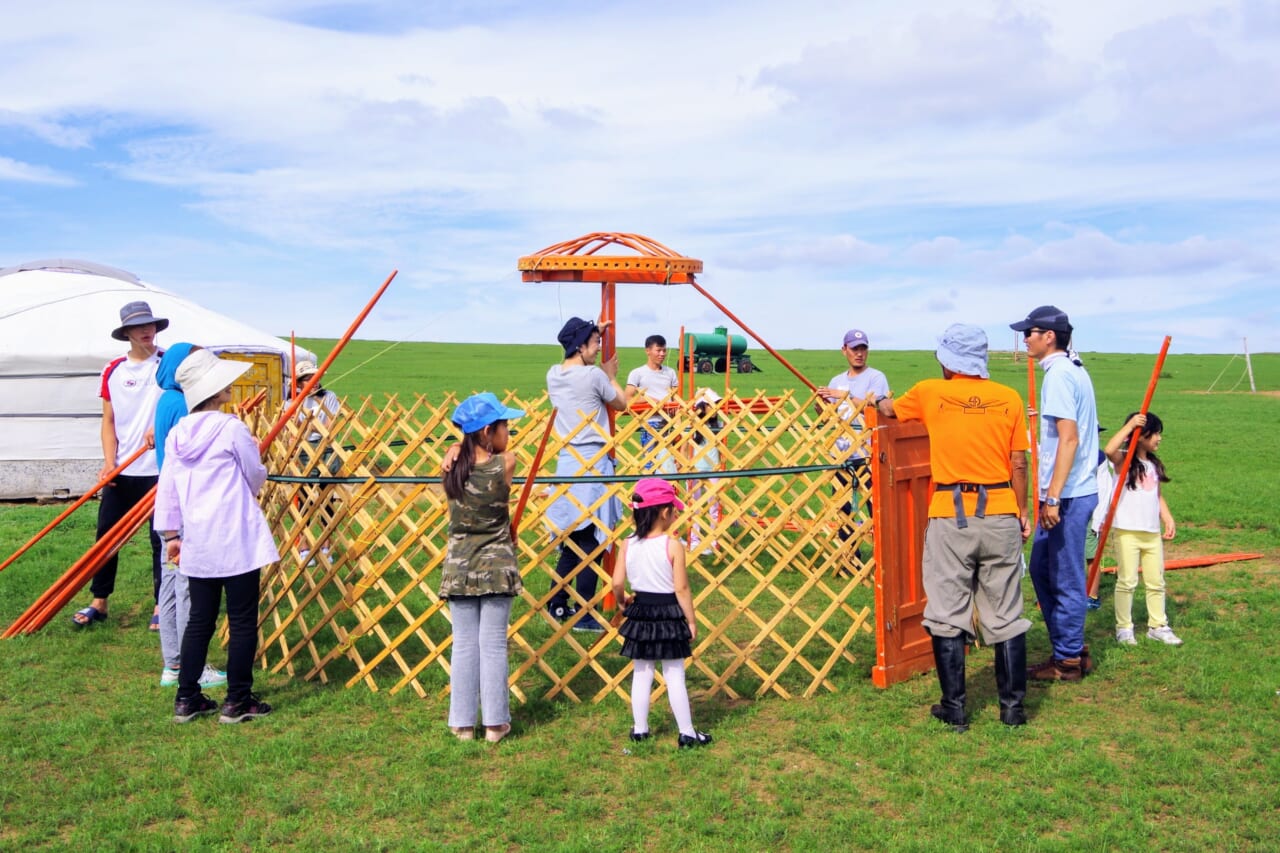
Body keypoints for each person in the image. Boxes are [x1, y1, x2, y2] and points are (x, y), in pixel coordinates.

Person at [877, 324, 1032, 730]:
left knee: (947, 609)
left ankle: (955, 708)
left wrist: (877, 399)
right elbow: (1019, 462)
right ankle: (1012, 709)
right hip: (1000, 511)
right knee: (1006, 611)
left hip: (951, 513)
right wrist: (1022, 510)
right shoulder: (1009, 398)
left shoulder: (930, 392)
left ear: (947, 361)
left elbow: (890, 410)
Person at [156, 349, 279, 724]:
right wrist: (250, 479)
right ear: (214, 389)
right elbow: (254, 473)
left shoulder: (178, 435)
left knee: (200, 621)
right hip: (235, 535)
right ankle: (237, 700)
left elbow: (167, 488)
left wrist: (171, 535)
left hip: (197, 538)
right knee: (241, 620)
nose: (230, 386)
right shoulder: (231, 428)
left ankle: (186, 698)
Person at [1010, 306, 1099, 682]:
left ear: (1049, 336)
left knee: (1065, 575)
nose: (1024, 339)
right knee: (1045, 570)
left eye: (1029, 333)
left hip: (1068, 494)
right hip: (1070, 491)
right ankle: (1069, 646)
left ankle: (1068, 660)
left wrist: (1052, 498)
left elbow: (1069, 439)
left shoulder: (1060, 375)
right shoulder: (1070, 369)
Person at [73, 301, 167, 628]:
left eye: (150, 324)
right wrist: (109, 462)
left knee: (161, 538)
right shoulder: (113, 369)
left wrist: (161, 424)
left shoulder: (168, 364)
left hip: (159, 468)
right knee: (107, 536)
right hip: (122, 469)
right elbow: (108, 420)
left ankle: (162, 604)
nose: (147, 330)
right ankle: (99, 601)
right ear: (126, 332)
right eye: (139, 326)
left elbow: (186, 405)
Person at [441, 392, 526, 743]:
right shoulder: (506, 463)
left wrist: (453, 447)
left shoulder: (451, 468)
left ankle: (462, 724)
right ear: (488, 430)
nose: (509, 432)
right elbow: (501, 454)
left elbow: (463, 450)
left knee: (463, 645)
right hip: (496, 566)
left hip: (458, 567)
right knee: (492, 645)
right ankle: (495, 724)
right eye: (505, 426)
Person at [611, 477, 712, 749]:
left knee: (641, 671)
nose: (675, 514)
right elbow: (681, 588)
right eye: (674, 509)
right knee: (674, 673)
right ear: (665, 512)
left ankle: (640, 730)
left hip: (641, 612)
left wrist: (622, 603)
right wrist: (691, 620)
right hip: (668, 613)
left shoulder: (627, 543)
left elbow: (617, 583)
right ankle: (687, 733)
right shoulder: (672, 545)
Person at [544, 317, 628, 633]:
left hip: (568, 463)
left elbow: (574, 346)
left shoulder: (553, 375)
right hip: (592, 461)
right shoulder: (594, 375)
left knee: (574, 539)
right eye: (595, 343)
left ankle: (556, 603)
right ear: (581, 346)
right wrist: (611, 375)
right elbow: (622, 403)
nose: (598, 348)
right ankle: (585, 613)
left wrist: (593, 330)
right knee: (592, 541)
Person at [153, 343, 227, 690]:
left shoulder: (165, 400)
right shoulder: (183, 404)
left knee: (169, 585)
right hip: (184, 504)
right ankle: (190, 667)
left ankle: (173, 664)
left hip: (165, 504)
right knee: (186, 587)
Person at [1104, 412, 1182, 646]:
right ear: (1141, 436)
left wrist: (1167, 517)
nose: (1159, 438)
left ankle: (1158, 625)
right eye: (1155, 433)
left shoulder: (1153, 464)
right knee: (1127, 581)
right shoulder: (1124, 461)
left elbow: (1156, 495)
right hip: (1127, 531)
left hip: (1151, 533)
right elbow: (1109, 449)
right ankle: (1124, 628)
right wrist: (1130, 426)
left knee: (1156, 581)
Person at [815, 329, 890, 548]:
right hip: (841, 455)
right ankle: (849, 559)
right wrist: (820, 405)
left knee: (876, 510)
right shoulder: (836, 381)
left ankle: (881, 560)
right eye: (854, 349)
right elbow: (827, 416)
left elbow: (877, 407)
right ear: (844, 350)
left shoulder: (876, 377)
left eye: (863, 349)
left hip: (868, 454)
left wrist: (844, 396)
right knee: (843, 512)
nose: (859, 354)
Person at [625, 334, 678, 470]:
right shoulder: (637, 373)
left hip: (669, 423)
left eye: (664, 350)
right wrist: (649, 400)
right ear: (648, 351)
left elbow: (676, 398)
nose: (662, 354)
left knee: (669, 464)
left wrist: (678, 422)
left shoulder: (670, 373)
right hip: (649, 423)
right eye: (658, 350)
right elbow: (628, 398)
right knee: (650, 464)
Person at [687, 388, 724, 552]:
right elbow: (685, 446)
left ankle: (713, 540)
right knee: (694, 506)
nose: (715, 408)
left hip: (713, 468)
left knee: (714, 505)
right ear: (703, 407)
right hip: (695, 468)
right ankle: (694, 540)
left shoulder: (720, 424)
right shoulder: (693, 425)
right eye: (711, 404)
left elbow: (722, 448)